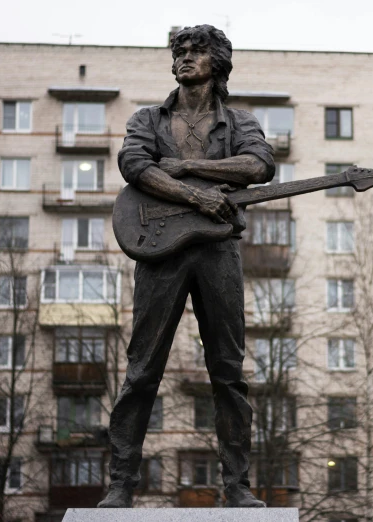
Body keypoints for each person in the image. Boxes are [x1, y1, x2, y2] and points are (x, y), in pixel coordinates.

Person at [98, 24, 274, 508]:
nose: (185, 58)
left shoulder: (239, 121)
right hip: (160, 251)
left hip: (219, 252)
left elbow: (259, 166)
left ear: (217, 62)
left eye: (196, 51)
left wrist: (190, 167)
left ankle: (237, 486)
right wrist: (195, 194)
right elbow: (135, 164)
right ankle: (120, 484)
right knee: (141, 370)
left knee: (228, 371)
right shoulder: (148, 119)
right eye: (180, 51)